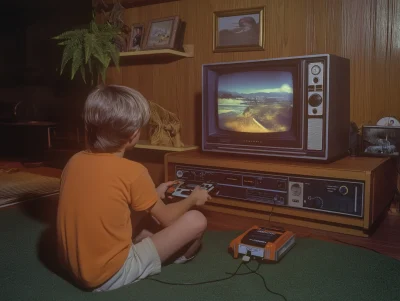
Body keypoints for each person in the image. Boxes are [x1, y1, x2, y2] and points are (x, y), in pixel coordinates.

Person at [56, 85, 211, 292]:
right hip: (108, 276)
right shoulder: (133, 171)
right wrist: (193, 198)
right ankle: (180, 257)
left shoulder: (74, 161)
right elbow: (169, 219)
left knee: (142, 217)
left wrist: (154, 192)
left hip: (73, 268)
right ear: (134, 135)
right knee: (196, 220)